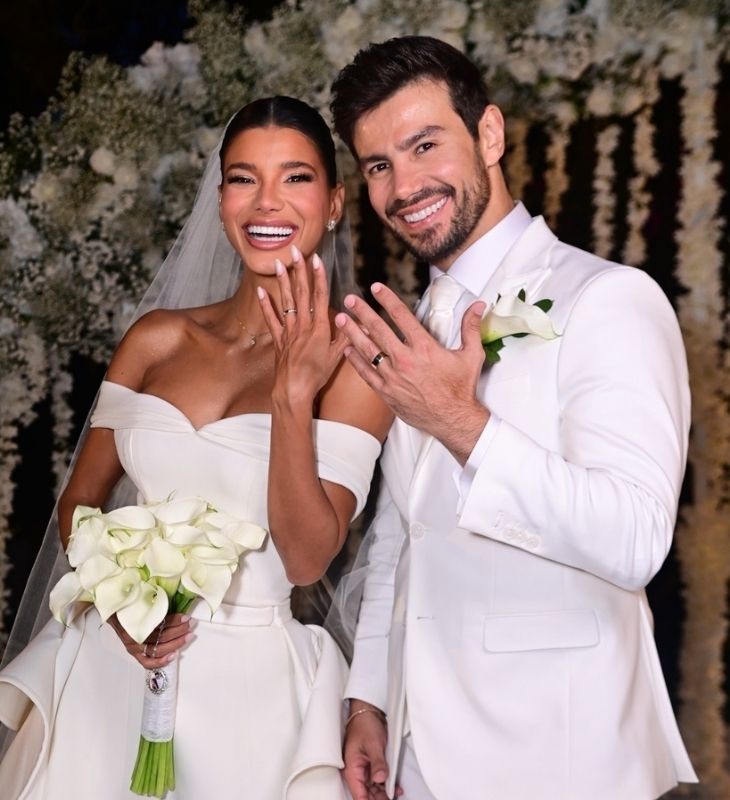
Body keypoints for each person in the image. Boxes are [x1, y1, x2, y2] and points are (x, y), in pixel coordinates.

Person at [328, 36, 698, 800]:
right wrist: (370, 698)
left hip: (559, 754)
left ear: (489, 134)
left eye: (424, 145)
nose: (404, 186)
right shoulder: (416, 322)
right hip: (419, 754)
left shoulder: (607, 298)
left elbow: (634, 538)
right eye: (378, 165)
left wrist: (461, 423)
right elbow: (404, 530)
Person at [0, 96, 391, 799]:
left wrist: (291, 397)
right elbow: (80, 501)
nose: (266, 201)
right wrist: (118, 602)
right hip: (110, 671)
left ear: (334, 202)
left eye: (295, 177)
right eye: (244, 178)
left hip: (246, 697)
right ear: (220, 200)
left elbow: (307, 559)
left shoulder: (356, 366)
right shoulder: (157, 339)